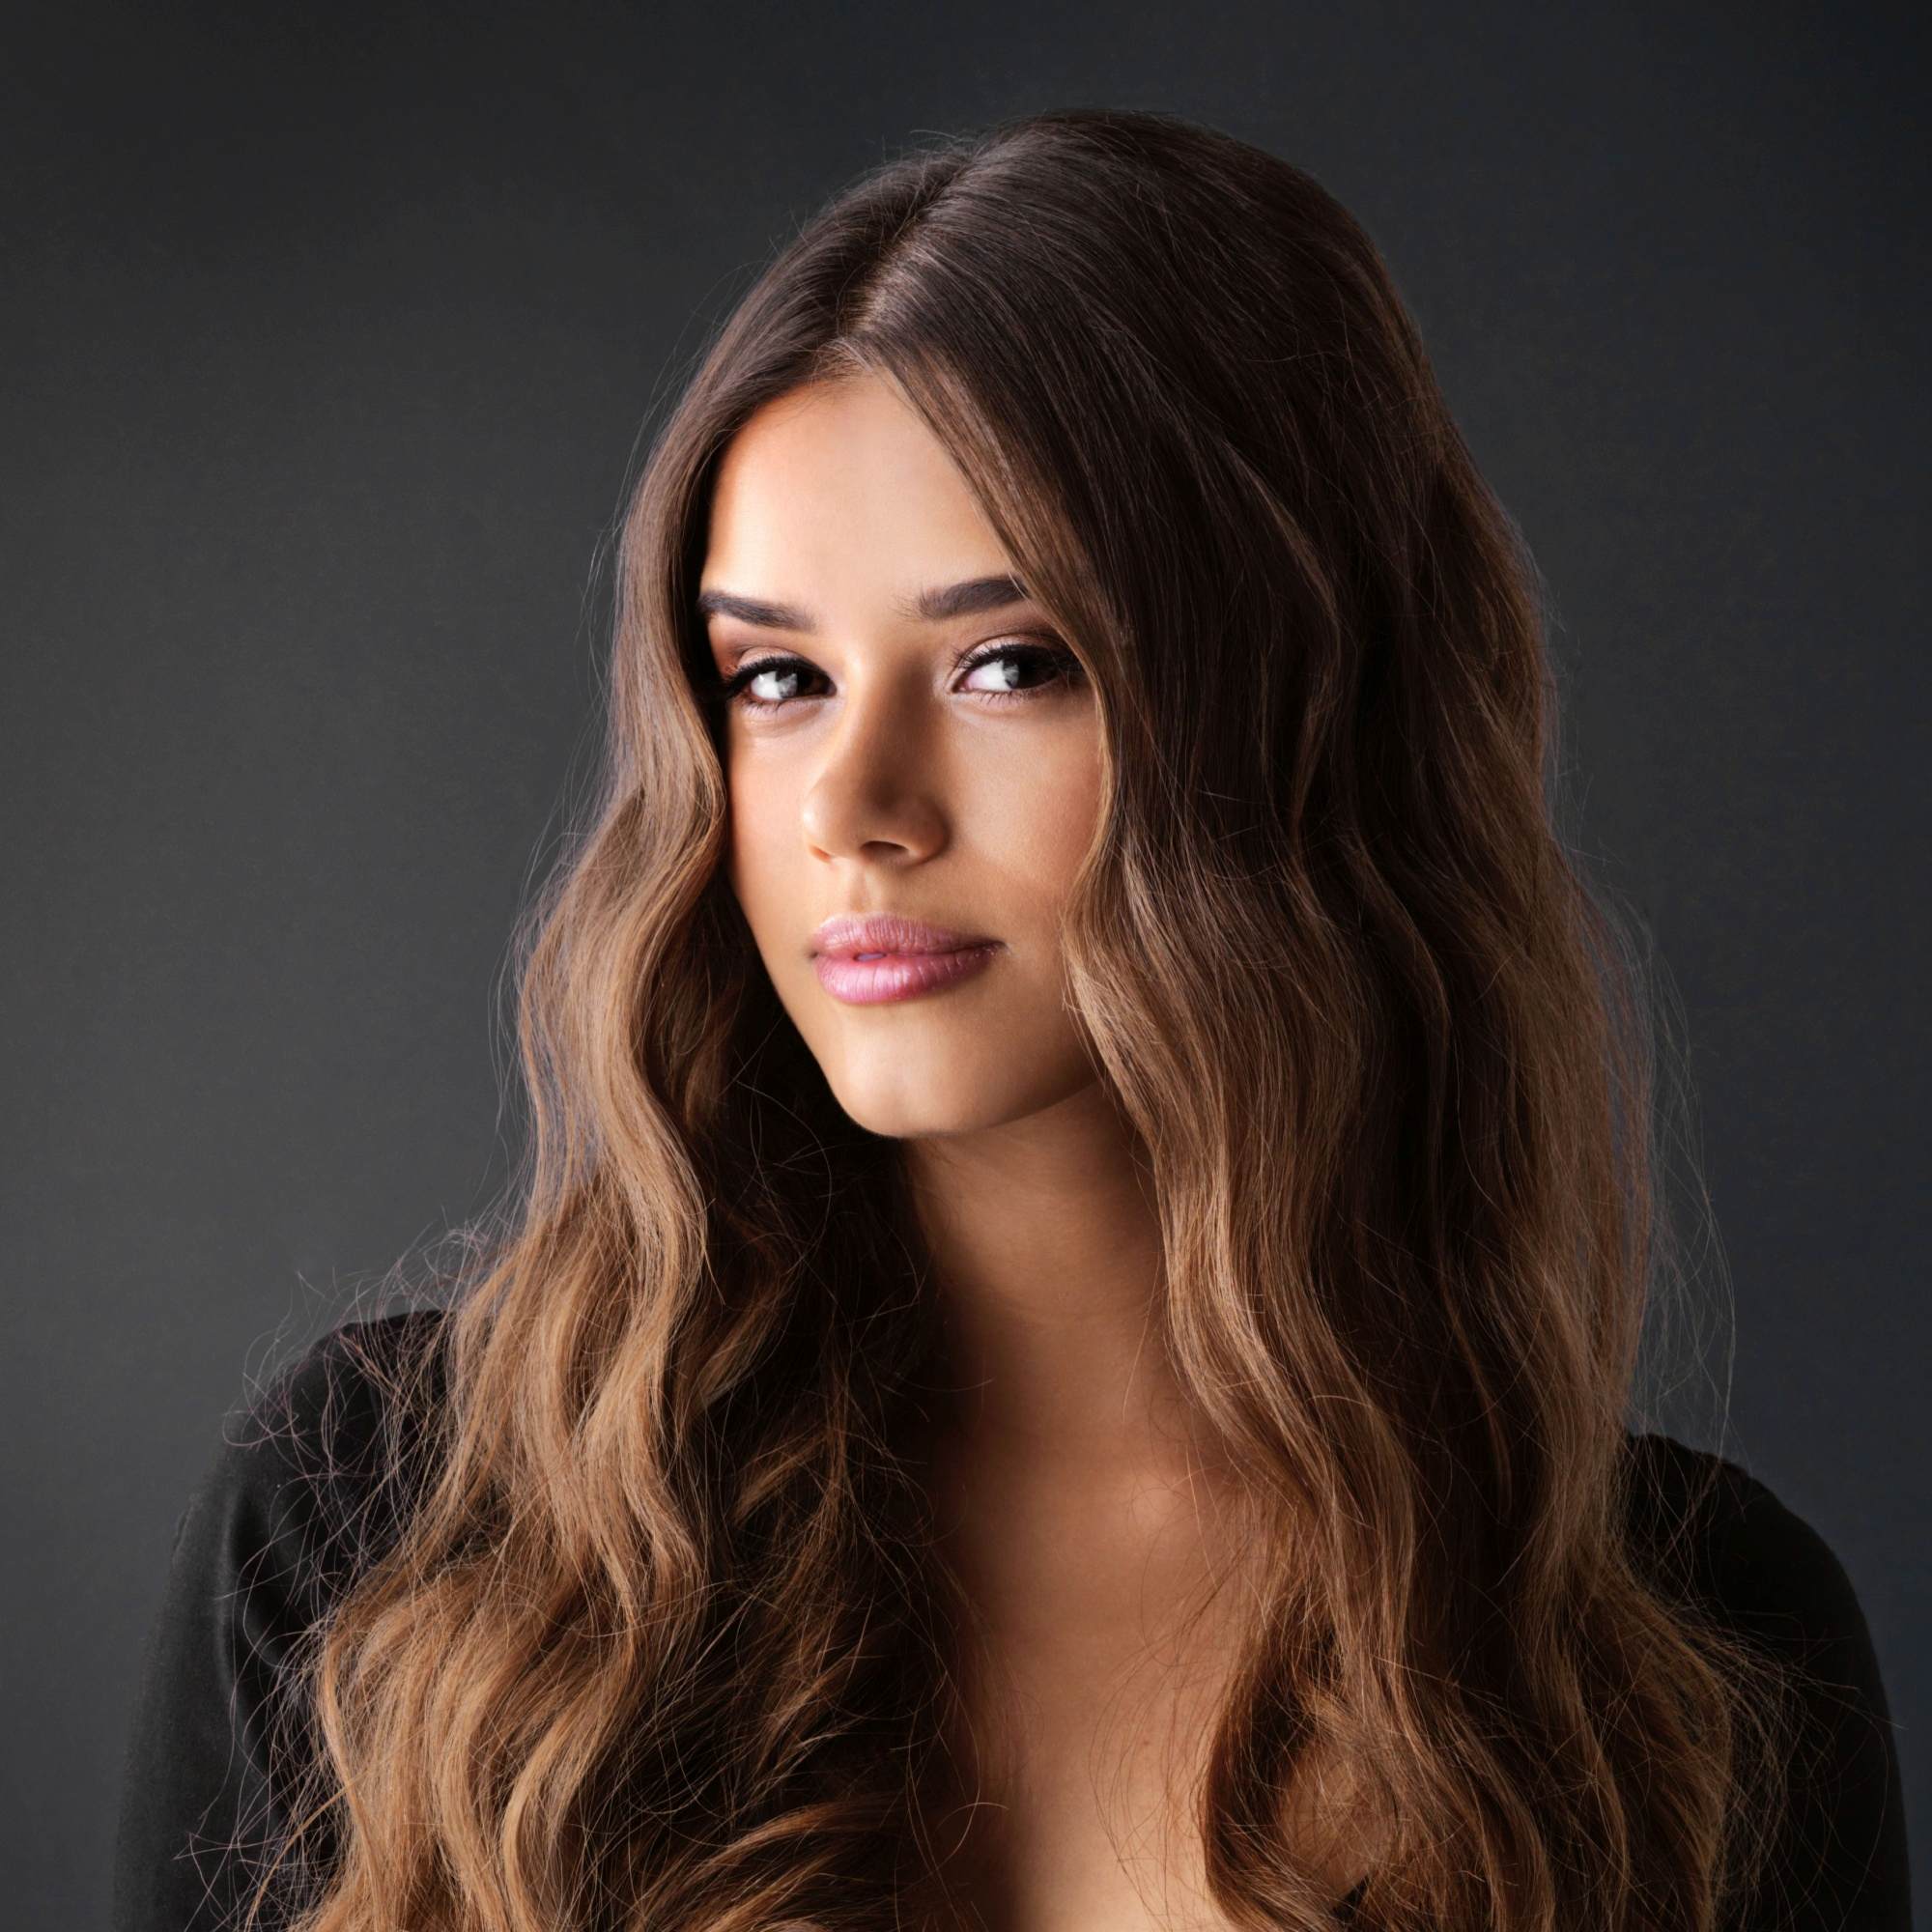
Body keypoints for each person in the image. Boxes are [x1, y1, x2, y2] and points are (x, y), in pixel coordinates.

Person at [113, 106, 1909, 1931]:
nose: (853, 806)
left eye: (1008, 664)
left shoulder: (1697, 1661)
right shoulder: (389, 1547)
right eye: (779, 678)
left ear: (1304, 722)